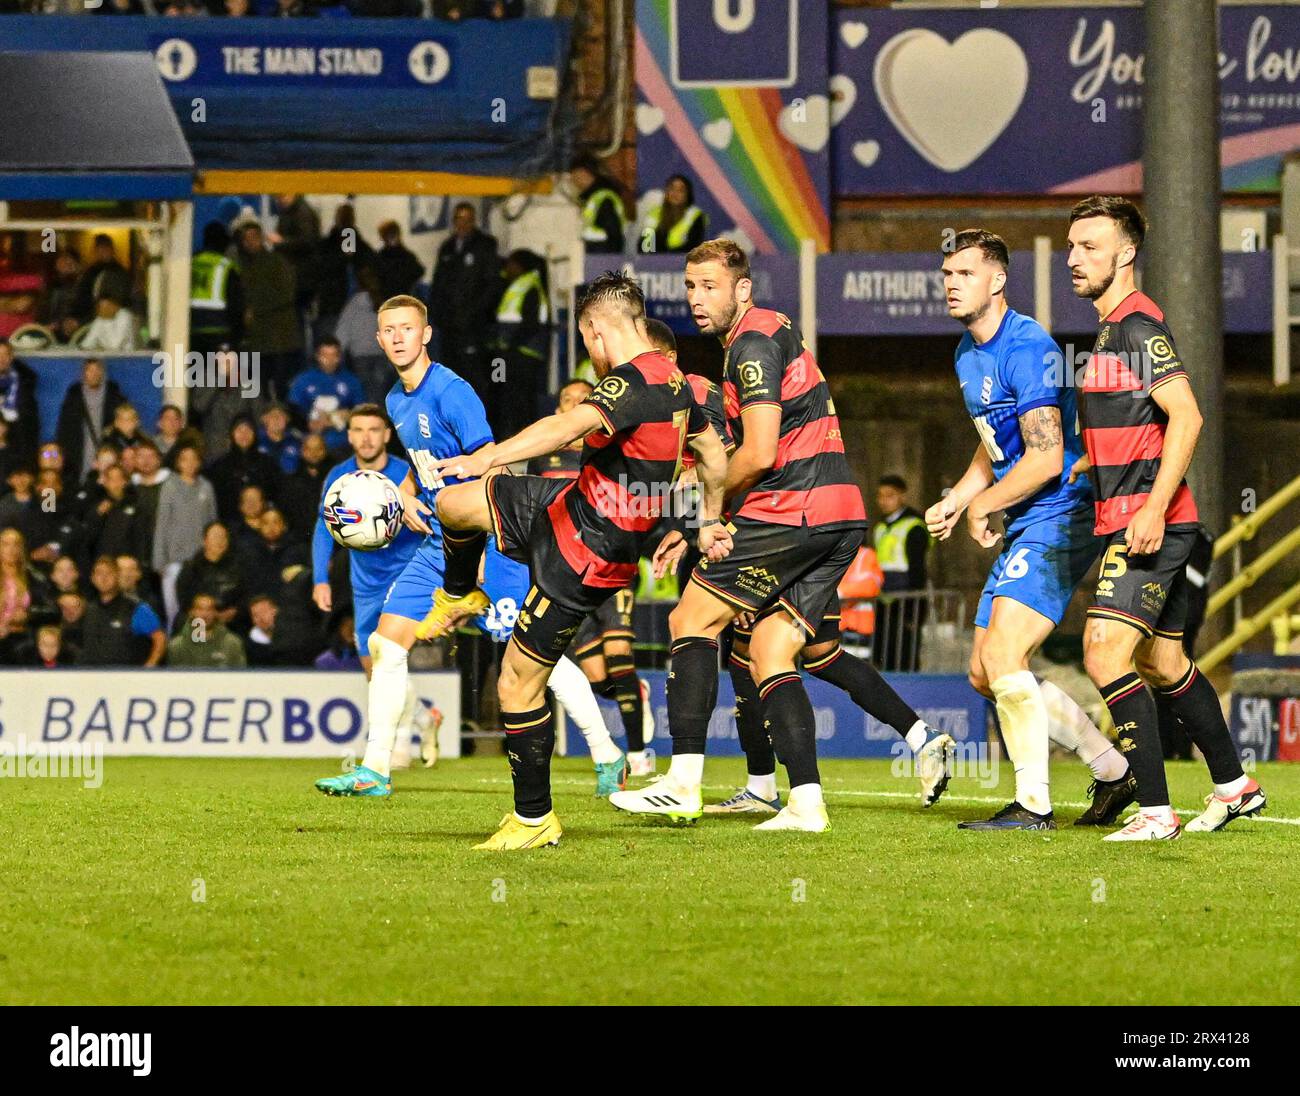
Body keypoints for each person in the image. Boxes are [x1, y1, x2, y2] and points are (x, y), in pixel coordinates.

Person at [614, 241, 948, 831]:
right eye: (690, 286)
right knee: (775, 651)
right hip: (837, 514)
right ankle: (805, 803)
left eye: (710, 286)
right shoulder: (764, 337)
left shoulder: (749, 347)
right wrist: (692, 518)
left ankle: (683, 782)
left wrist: (705, 517)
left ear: (742, 290)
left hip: (793, 510)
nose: (696, 298)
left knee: (689, 621)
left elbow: (760, 453)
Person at [417, 271, 731, 850]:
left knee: (516, 684)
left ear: (593, 330)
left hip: (585, 552)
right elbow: (713, 451)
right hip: (567, 504)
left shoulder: (631, 383)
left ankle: (534, 819)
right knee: (453, 506)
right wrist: (709, 518)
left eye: (586, 338)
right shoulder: (680, 383)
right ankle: (460, 591)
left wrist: (486, 456)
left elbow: (565, 426)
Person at [1066, 195, 1263, 840]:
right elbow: (1137, 426)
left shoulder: (1136, 326)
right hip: (1143, 514)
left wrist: (1151, 508)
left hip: (1150, 522)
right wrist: (1089, 466)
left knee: (1103, 652)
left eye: (1090, 247)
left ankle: (1155, 810)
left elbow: (1187, 414)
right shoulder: (1110, 328)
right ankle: (1235, 784)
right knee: (1163, 660)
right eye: (1072, 245)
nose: (1075, 258)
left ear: (1125, 255)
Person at [924, 228, 1133, 832]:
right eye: (946, 276)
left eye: (964, 274)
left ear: (997, 280)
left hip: (1062, 508)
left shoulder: (1028, 346)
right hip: (1027, 516)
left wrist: (983, 506)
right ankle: (1114, 771)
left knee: (1006, 655)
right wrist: (960, 497)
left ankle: (1034, 807)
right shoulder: (968, 354)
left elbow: (1044, 458)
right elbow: (995, 445)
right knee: (984, 673)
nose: (951, 286)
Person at [308, 294, 494, 798]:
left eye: (406, 329)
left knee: (532, 655)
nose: (396, 338)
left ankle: (609, 755)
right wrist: (406, 496)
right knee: (385, 647)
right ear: (378, 339)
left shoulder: (453, 391)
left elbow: (491, 463)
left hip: (484, 540)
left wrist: (477, 552)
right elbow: (422, 461)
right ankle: (375, 770)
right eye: (388, 330)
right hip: (437, 543)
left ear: (425, 334)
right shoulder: (394, 399)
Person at [530, 374, 654, 777]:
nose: (575, 404)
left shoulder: (609, 449)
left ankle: (637, 754)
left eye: (585, 399)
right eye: (568, 399)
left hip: (611, 564)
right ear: (558, 410)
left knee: (619, 656)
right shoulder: (542, 457)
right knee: (597, 677)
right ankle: (639, 695)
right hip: (565, 571)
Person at [310, 405, 428, 784]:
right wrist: (320, 578)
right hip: (366, 583)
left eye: (374, 429)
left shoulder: (405, 474)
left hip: (407, 574)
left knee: (390, 655)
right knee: (373, 670)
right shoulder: (339, 477)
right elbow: (323, 527)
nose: (366, 437)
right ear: (348, 436)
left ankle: (396, 747)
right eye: (358, 429)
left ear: (387, 435)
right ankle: (425, 718)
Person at [428, 202, 500, 391]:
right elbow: (438, 283)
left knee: (475, 374)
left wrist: (473, 314)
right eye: (459, 219)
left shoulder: (484, 245)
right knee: (450, 373)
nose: (463, 224)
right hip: (449, 326)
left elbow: (491, 285)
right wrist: (438, 314)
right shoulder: (447, 247)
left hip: (474, 327)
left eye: (468, 220)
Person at [153, 443, 219, 630]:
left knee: (199, 610)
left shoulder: (207, 487)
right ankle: (175, 652)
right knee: (174, 611)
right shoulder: (169, 487)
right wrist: (159, 560)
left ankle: (198, 647)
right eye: (185, 459)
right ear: (178, 463)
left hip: (201, 560)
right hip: (174, 560)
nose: (190, 463)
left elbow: (213, 523)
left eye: (194, 459)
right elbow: (162, 524)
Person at [236, 222, 302, 398]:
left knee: (280, 388)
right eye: (246, 239)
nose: (250, 242)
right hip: (259, 341)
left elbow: (287, 293)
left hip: (279, 339)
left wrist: (254, 309)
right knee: (260, 388)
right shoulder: (243, 265)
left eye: (253, 237)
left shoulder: (277, 262)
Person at [489, 249, 550, 440]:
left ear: (520, 266)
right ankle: (506, 435)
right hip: (505, 355)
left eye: (511, 264)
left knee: (519, 399)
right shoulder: (514, 285)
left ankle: (519, 439)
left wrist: (510, 346)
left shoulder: (530, 287)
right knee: (501, 391)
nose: (507, 268)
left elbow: (529, 323)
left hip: (521, 355)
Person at [872, 474, 928, 671]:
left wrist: (917, 609)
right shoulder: (880, 527)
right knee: (882, 653)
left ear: (902, 496)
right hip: (883, 597)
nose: (883, 501)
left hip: (905, 598)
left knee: (905, 653)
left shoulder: (914, 526)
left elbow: (917, 568)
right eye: (880, 496)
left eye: (890, 495)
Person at [78, 555, 165, 667]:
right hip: (94, 677)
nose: (104, 578)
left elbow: (160, 638)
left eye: (109, 573)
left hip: (127, 678)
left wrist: (149, 666)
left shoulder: (137, 608)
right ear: (93, 579)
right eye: (99, 573)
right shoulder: (88, 610)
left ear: (117, 576)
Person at [288, 337, 366, 454]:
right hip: (310, 442)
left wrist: (340, 417)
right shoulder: (303, 380)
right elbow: (292, 410)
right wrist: (308, 424)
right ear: (317, 356)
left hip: (343, 442)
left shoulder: (351, 381)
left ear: (339, 357)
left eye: (334, 355)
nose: (329, 360)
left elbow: (361, 410)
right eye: (325, 355)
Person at [56, 358, 126, 484]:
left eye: (97, 370)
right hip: (79, 452)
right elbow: (64, 428)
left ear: (103, 373)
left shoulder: (114, 396)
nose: (94, 374)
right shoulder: (73, 397)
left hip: (107, 451)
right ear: (83, 374)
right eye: (90, 370)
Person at [204, 414, 283, 522]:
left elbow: (276, 495)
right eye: (239, 430)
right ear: (232, 434)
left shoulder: (268, 464)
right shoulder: (220, 466)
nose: (244, 434)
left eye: (248, 430)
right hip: (230, 524)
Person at [314, 203, 375, 340]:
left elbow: (320, 269)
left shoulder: (326, 246)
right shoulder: (361, 247)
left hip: (332, 306)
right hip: (358, 306)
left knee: (332, 347)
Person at [176, 522, 244, 630]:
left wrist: (235, 611)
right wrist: (209, 615)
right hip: (200, 618)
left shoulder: (238, 566)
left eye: (223, 537)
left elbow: (245, 595)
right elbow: (184, 600)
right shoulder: (191, 567)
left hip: (231, 619)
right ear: (205, 541)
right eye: (216, 537)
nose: (220, 541)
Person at [191, 221, 243, 355]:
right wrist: (238, 337)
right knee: (221, 375)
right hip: (220, 332)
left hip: (192, 332)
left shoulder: (191, 262)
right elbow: (236, 305)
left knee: (194, 375)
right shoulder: (226, 267)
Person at [167, 593, 248, 668]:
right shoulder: (177, 646)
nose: (205, 614)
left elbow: (240, 678)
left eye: (209, 609)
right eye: (200, 609)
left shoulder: (232, 643)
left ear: (215, 613)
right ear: (191, 612)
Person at [639, 174, 708, 255]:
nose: (675, 193)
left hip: (682, 262)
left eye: (681, 190)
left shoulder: (695, 216)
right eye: (672, 188)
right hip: (655, 263)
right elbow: (645, 245)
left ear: (687, 194)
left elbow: (694, 247)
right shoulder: (654, 214)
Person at [571, 158, 628, 254]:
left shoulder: (604, 199)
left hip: (602, 259)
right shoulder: (594, 198)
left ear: (584, 173)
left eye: (575, 177)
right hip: (597, 258)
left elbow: (613, 235)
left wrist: (611, 261)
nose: (574, 182)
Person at [72, 233, 131, 325]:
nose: (102, 251)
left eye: (105, 248)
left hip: (107, 321)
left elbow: (114, 302)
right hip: (85, 318)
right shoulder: (90, 271)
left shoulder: (119, 273)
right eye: (99, 248)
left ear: (111, 249)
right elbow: (82, 296)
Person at [0, 338, 40, 464]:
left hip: (18, 450)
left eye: (5, 355)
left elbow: (31, 423)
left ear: (12, 357)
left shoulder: (23, 383)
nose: (2, 359)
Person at [374, 220, 424, 300]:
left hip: (397, 299)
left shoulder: (406, 255)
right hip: (394, 299)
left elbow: (419, 271)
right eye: (388, 235)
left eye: (392, 234)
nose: (391, 238)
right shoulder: (406, 255)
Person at [258, 402, 303, 475]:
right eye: (272, 415)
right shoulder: (254, 439)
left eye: (281, 415)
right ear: (264, 419)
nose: (276, 418)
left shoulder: (296, 440)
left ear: (287, 419)